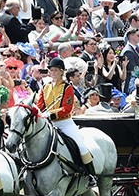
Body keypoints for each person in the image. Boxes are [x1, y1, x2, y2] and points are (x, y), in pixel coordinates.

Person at [36, 58, 97, 189]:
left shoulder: (67, 88)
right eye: (51, 70)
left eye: (56, 70)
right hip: (49, 124)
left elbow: (66, 109)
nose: (53, 73)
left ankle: (90, 175)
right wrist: (38, 112)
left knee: (81, 146)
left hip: (64, 123)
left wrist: (50, 114)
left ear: (61, 72)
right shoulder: (45, 87)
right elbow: (40, 105)